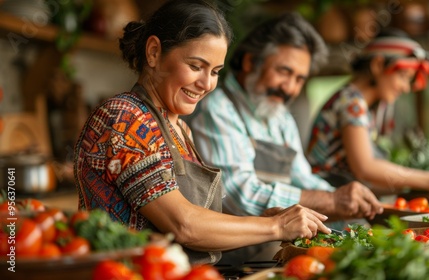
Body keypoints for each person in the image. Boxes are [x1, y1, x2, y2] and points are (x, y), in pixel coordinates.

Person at [73, 0, 331, 265]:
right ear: (153, 52)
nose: (207, 84)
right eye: (196, 66)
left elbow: (196, 217)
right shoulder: (124, 118)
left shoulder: (180, 128)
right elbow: (184, 225)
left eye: (215, 71)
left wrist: (263, 222)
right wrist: (276, 226)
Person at [187, 12, 383, 223]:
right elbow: (238, 196)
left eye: (299, 79)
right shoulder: (217, 109)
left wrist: (343, 196)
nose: (289, 88)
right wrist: (332, 200)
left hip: (274, 242)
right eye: (283, 71)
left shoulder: (280, 116)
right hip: (232, 252)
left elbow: (302, 177)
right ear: (250, 62)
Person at [306, 31, 429, 194]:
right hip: (326, 201)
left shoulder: (365, 107)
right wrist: (427, 180)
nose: (406, 87)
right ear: (378, 65)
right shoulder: (351, 103)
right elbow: (365, 167)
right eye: (403, 76)